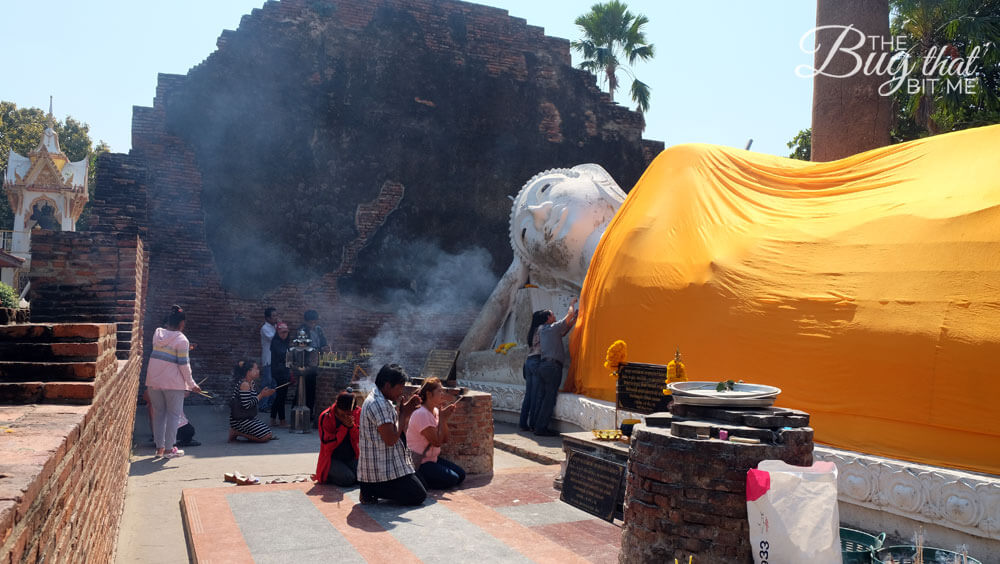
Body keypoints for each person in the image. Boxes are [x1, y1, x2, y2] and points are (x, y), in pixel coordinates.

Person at [357, 363, 427, 506]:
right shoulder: (378, 404)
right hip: (380, 471)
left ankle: (372, 487)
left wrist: (404, 410)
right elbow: (391, 439)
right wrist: (404, 414)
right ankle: (370, 489)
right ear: (388, 385)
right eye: (400, 387)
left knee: (423, 483)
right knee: (418, 495)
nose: (401, 392)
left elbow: (394, 426)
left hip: (390, 463)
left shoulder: (383, 399)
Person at [146, 305, 201, 458]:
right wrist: (192, 384)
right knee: (173, 416)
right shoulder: (182, 339)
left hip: (154, 381)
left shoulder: (157, 333)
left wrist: (185, 348)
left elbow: (167, 352)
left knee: (159, 415)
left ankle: (160, 449)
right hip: (173, 383)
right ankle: (170, 449)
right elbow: (184, 364)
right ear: (182, 323)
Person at [531, 298, 579, 436]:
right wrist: (571, 305)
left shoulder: (545, 330)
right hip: (552, 367)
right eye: (552, 314)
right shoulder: (552, 328)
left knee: (541, 396)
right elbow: (568, 316)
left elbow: (563, 332)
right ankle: (541, 428)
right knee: (549, 398)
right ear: (547, 318)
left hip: (544, 366)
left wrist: (574, 321)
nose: (554, 316)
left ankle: (535, 425)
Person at [406, 377, 466, 489]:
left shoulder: (436, 411)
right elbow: (437, 442)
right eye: (439, 391)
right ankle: (420, 479)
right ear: (429, 394)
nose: (442, 394)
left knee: (461, 475)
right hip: (421, 462)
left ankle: (429, 478)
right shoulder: (421, 414)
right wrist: (443, 419)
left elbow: (445, 439)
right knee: (453, 479)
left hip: (433, 459)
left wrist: (444, 419)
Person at [313, 391, 361, 486]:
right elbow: (328, 445)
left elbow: (360, 438)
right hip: (332, 457)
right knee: (348, 479)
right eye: (344, 412)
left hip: (351, 455)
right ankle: (328, 475)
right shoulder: (326, 416)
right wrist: (344, 427)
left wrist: (352, 427)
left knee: (364, 477)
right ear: (337, 407)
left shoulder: (357, 412)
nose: (347, 415)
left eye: (350, 412)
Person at [228, 359, 277, 442]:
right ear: (248, 371)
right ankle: (235, 432)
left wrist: (264, 394)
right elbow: (247, 405)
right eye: (256, 369)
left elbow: (253, 399)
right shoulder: (245, 384)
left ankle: (239, 431)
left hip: (248, 417)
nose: (258, 371)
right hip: (239, 420)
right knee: (265, 437)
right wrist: (261, 395)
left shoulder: (251, 383)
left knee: (269, 433)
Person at [519, 310, 549, 432]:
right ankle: (533, 423)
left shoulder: (532, 330)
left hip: (529, 361)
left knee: (529, 395)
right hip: (537, 361)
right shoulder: (543, 328)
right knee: (536, 395)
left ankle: (523, 423)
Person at [298, 309, 330, 421]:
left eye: (314, 322)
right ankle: (301, 412)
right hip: (306, 363)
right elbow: (302, 347)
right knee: (304, 389)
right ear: (306, 321)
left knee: (313, 389)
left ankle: (310, 413)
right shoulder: (302, 330)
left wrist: (325, 347)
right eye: (311, 322)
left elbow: (323, 342)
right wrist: (317, 349)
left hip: (317, 361)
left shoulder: (318, 330)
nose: (313, 324)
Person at [269, 322, 292, 427]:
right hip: (279, 372)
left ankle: (273, 419)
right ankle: (282, 420)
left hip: (284, 371)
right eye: (282, 332)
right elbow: (283, 355)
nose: (284, 334)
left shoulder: (284, 342)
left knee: (280, 396)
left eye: (286, 332)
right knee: (281, 396)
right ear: (278, 332)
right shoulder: (276, 343)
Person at [259, 307, 279, 411]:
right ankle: (262, 405)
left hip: (275, 360)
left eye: (276, 315)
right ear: (267, 318)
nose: (276, 318)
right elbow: (274, 339)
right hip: (268, 359)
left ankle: (270, 404)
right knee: (267, 382)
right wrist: (280, 329)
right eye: (273, 316)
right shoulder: (265, 328)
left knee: (274, 383)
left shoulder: (275, 327)